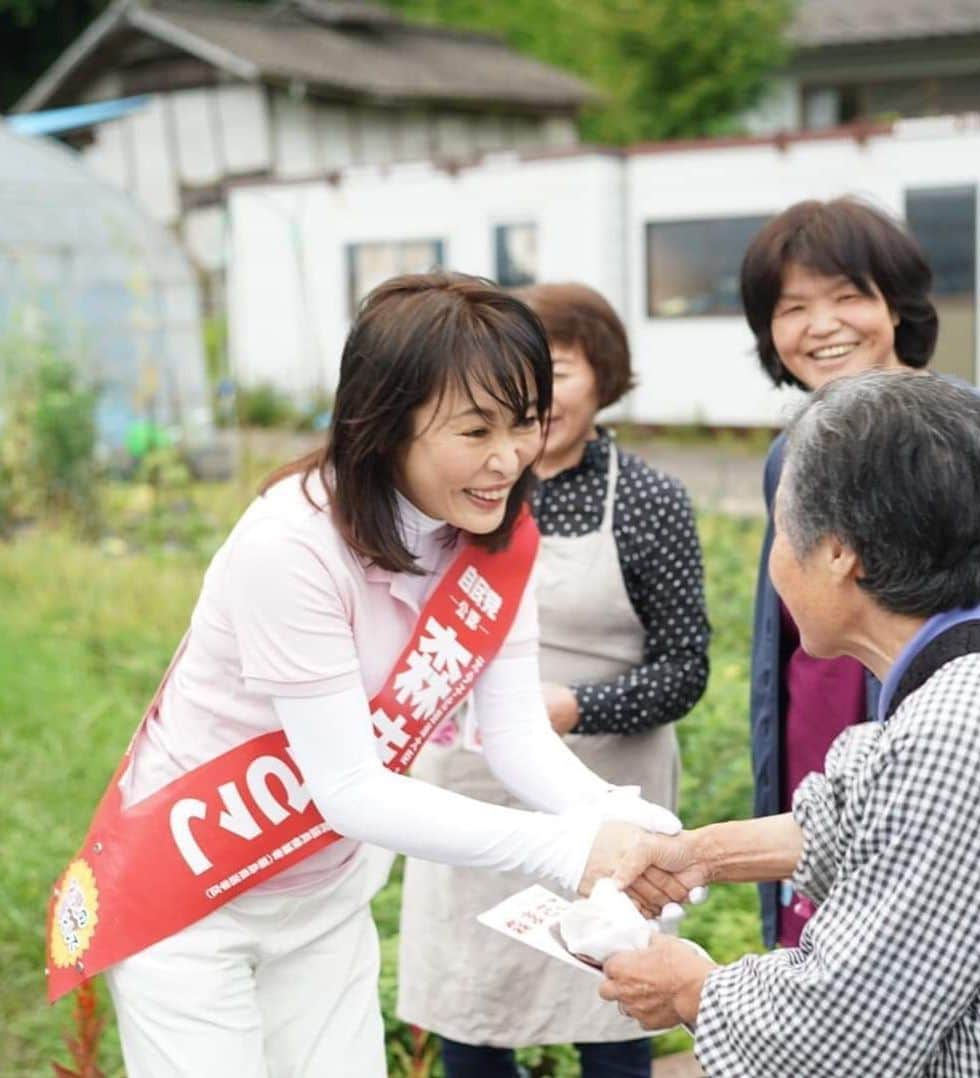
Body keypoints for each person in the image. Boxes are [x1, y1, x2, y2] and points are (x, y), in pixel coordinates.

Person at [45, 273, 691, 1078]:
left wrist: (618, 823)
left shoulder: (495, 529)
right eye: (474, 429)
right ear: (384, 425)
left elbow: (515, 734)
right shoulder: (290, 547)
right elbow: (348, 786)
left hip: (325, 898)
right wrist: (569, 850)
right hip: (196, 897)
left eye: (523, 424)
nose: (507, 458)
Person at [600, 371, 980, 1076]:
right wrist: (697, 855)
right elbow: (856, 816)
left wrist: (690, 989)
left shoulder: (961, 730)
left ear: (836, 552)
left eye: (782, 528)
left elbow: (852, 1022)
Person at [739, 197, 980, 947]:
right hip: (822, 764)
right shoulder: (787, 456)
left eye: (848, 295)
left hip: (955, 794)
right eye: (792, 306)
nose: (821, 325)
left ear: (897, 305)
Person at [397, 282, 711, 1077]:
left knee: (613, 1011)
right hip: (465, 793)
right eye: (511, 384)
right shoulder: (454, 493)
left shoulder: (646, 500)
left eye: (558, 372)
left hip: (601, 792)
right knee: (472, 1015)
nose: (535, 403)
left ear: (605, 376)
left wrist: (572, 708)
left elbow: (685, 669)